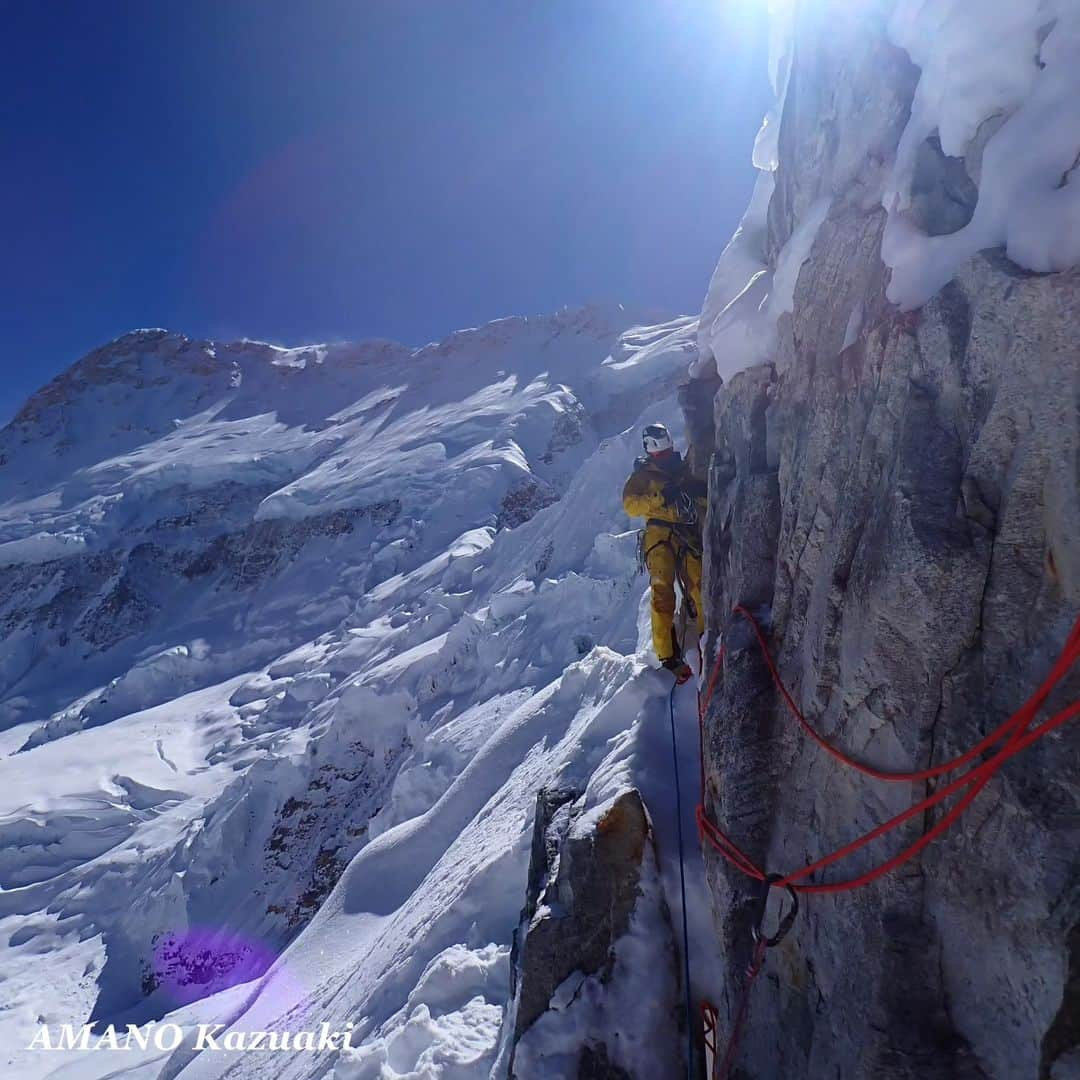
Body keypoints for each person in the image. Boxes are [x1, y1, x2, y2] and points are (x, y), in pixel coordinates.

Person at [622, 423, 707, 685]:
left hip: (685, 534)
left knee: (699, 585)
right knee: (662, 593)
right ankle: (668, 656)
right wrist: (660, 497)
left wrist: (696, 496)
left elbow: (698, 498)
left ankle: (705, 639)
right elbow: (631, 504)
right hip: (660, 537)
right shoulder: (644, 476)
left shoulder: (681, 470)